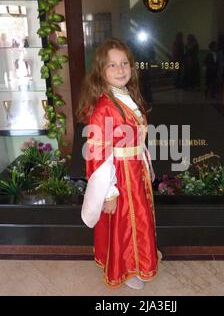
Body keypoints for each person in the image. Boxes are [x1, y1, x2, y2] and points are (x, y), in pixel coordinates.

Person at [77, 38, 159, 290]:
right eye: (112, 65)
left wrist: (145, 164)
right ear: (101, 71)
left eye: (124, 63)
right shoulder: (104, 108)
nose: (120, 69)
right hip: (120, 175)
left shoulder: (126, 96)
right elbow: (98, 153)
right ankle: (126, 267)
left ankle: (141, 257)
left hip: (135, 171)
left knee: (140, 218)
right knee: (125, 223)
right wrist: (109, 192)